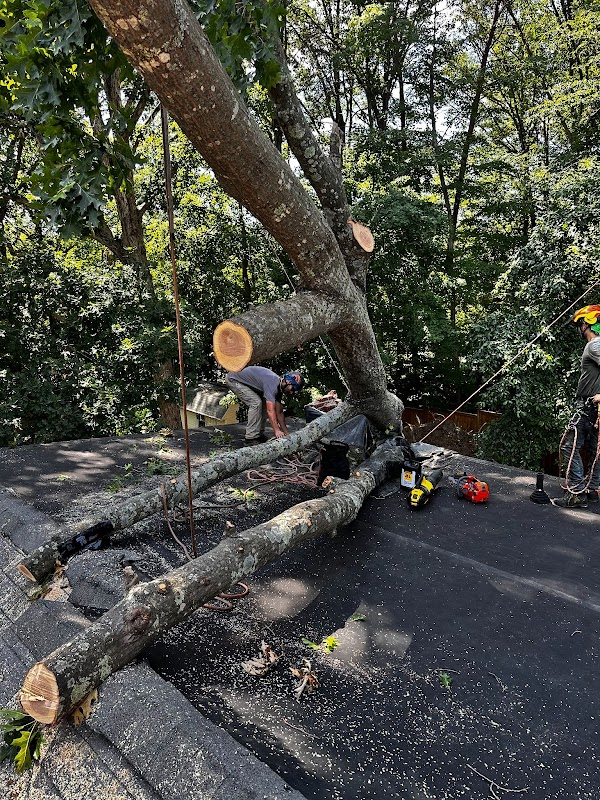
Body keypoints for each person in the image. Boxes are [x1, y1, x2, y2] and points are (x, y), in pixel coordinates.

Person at [554, 305, 600, 508]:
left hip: (588, 406)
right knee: (595, 449)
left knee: (569, 446)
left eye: (580, 324)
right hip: (595, 409)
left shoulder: (594, 345)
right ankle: (592, 490)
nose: (579, 329)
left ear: (586, 324)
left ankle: (576, 494)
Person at [225, 366, 304, 444]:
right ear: (289, 382)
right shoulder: (272, 384)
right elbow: (270, 411)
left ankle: (259, 434)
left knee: (264, 404)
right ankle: (251, 437)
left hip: (243, 381)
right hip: (233, 379)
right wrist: (277, 431)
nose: (291, 392)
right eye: (292, 389)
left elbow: (279, 412)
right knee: (256, 403)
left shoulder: (278, 388)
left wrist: (286, 433)